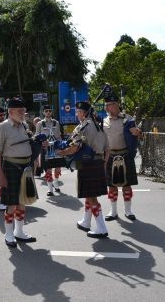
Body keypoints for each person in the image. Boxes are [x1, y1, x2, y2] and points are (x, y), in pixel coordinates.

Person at [56, 101, 109, 238]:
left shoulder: (82, 127)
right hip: (98, 162)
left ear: (85, 113)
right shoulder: (99, 126)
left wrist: (62, 153)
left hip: (87, 164)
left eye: (78, 112)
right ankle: (86, 221)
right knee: (89, 195)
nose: (77, 114)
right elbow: (107, 149)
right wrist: (103, 163)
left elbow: (74, 147)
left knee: (92, 198)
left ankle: (102, 228)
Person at [0, 98, 37, 248]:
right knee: (11, 204)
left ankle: (19, 232)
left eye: (23, 110)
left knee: (22, 201)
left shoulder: (24, 125)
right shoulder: (2, 128)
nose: (23, 113)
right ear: (11, 112)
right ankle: (9, 234)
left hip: (25, 168)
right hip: (10, 167)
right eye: (20, 111)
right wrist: (0, 174)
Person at [103, 94, 142, 222]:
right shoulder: (104, 121)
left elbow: (137, 134)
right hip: (110, 156)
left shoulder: (128, 119)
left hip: (125, 155)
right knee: (111, 186)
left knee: (127, 185)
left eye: (112, 104)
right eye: (107, 105)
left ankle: (128, 210)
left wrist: (139, 132)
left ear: (117, 104)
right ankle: (113, 211)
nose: (109, 107)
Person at [35, 105, 62, 196]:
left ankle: (56, 182)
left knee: (58, 168)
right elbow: (36, 136)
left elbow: (58, 135)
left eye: (50, 111)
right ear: (43, 112)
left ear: (51, 112)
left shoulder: (56, 123)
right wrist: (41, 142)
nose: (48, 113)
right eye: (46, 111)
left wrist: (61, 145)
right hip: (46, 149)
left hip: (55, 147)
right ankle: (50, 189)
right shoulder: (40, 124)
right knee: (48, 169)